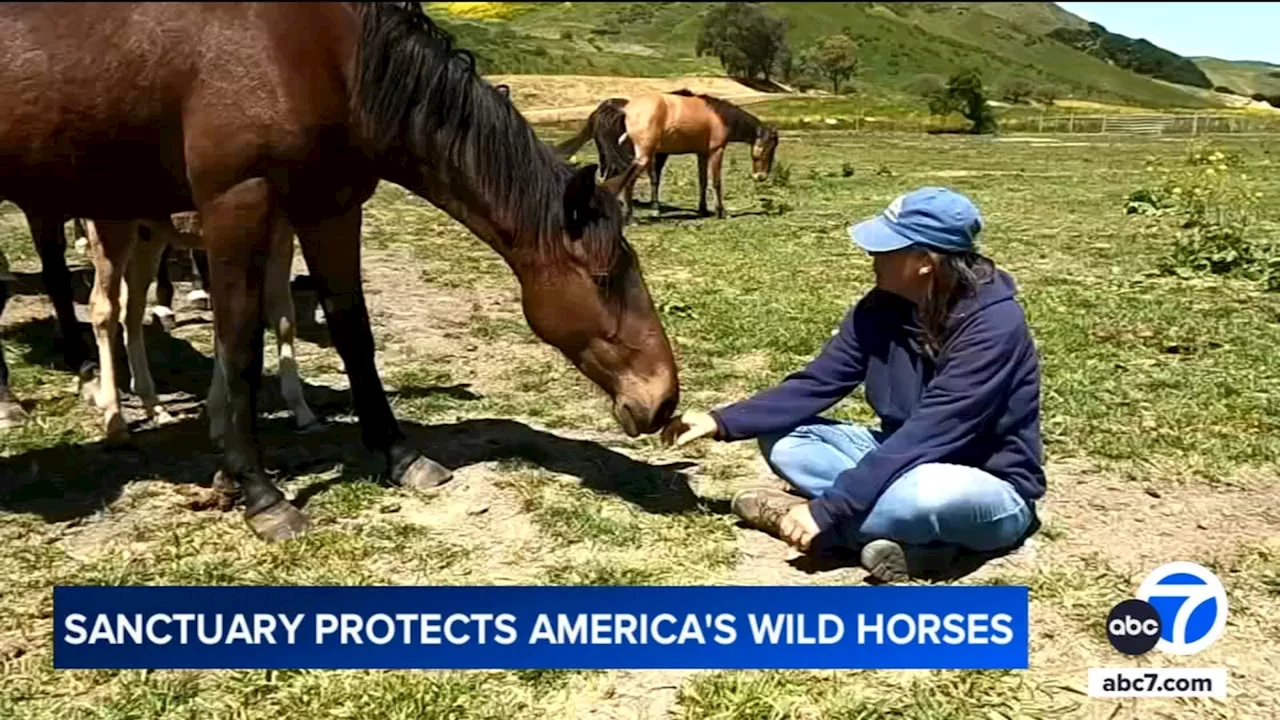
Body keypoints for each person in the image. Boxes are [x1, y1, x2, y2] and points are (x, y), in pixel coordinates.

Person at [662, 186, 1045, 583]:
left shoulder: (993, 326)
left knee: (924, 494)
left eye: (886, 248)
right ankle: (913, 547)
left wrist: (827, 509)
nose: (871, 256)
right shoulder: (880, 307)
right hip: (900, 456)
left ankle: (824, 530)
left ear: (925, 261)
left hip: (981, 484)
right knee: (784, 438)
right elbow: (819, 381)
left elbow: (932, 432)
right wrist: (721, 420)